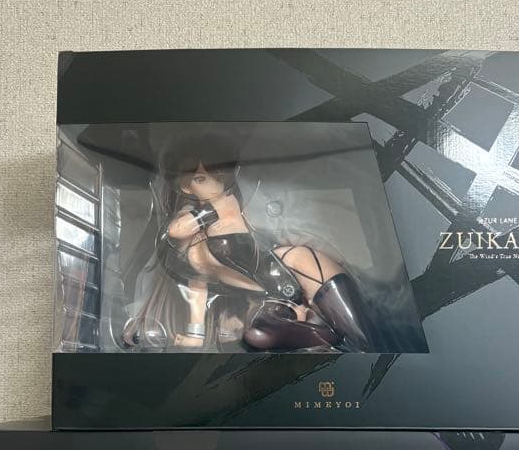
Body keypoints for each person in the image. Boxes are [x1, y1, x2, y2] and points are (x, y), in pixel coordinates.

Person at [123, 134, 378, 352]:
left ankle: (338, 337)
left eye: (216, 174)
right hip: (274, 299)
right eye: (200, 178)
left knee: (365, 341)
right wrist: (195, 334)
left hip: (297, 267)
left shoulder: (226, 206)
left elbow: (179, 229)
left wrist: (197, 212)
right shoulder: (188, 250)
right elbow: (196, 287)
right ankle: (328, 336)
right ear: (186, 187)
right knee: (257, 336)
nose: (214, 183)